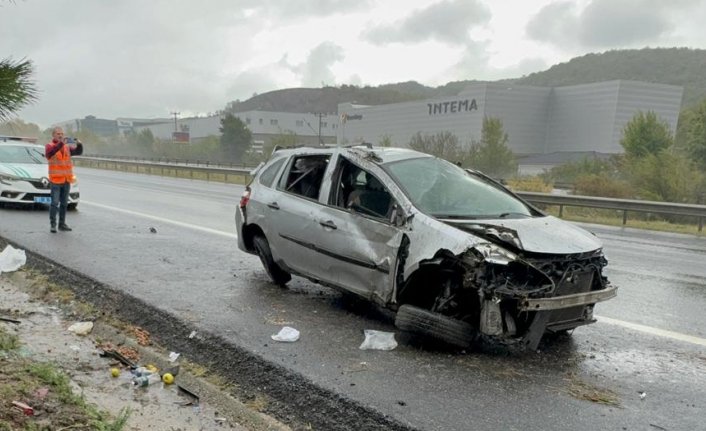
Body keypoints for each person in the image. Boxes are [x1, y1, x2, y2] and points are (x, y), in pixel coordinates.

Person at [45, 127, 83, 233]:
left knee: (64, 203)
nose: (60, 135)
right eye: (58, 134)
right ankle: (53, 224)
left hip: (66, 179)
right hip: (56, 180)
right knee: (54, 203)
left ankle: (62, 224)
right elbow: (50, 153)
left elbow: (78, 152)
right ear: (53, 135)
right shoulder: (50, 146)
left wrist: (79, 144)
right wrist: (61, 143)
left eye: (62, 133)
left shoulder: (67, 147)